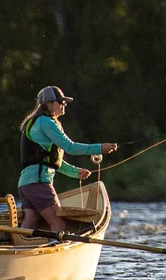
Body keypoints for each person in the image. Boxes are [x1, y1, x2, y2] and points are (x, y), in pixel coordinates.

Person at [18, 86, 118, 234]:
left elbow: (50, 160)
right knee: (59, 224)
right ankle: (49, 254)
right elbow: (70, 147)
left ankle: (19, 250)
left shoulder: (37, 122)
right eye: (60, 101)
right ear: (49, 104)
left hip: (26, 184)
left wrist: (75, 172)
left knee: (31, 222)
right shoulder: (46, 123)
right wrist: (100, 148)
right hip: (38, 183)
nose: (64, 104)